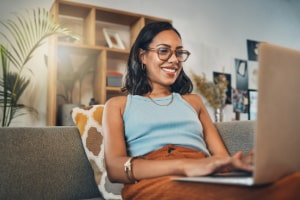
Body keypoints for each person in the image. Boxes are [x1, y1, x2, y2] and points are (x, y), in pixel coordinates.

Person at [102, 22, 300, 200]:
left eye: (179, 53)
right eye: (164, 51)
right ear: (142, 55)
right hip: (153, 179)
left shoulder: (193, 101)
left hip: (205, 174)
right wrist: (184, 166)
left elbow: (221, 158)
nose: (174, 60)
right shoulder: (118, 105)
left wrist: (241, 163)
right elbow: (115, 169)